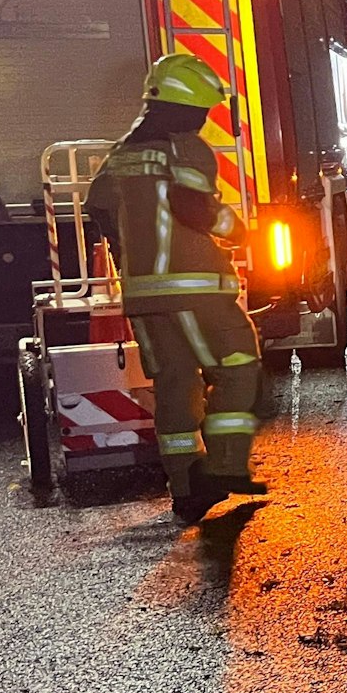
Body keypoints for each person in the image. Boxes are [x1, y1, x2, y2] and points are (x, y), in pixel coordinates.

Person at [88, 53, 267, 523]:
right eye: (201, 112)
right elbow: (193, 207)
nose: (203, 121)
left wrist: (131, 255)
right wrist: (238, 228)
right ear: (185, 108)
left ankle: (186, 490)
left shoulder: (121, 153)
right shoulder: (183, 147)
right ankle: (223, 468)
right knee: (238, 365)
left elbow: (99, 208)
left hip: (143, 295)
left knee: (175, 383)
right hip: (195, 287)